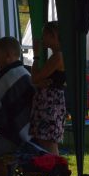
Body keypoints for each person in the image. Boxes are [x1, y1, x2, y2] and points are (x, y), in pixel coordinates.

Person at [0, 37, 35, 176]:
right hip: (32, 136)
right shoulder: (25, 73)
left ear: (8, 56)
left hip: (19, 139)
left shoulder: (3, 78)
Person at [29, 21, 67, 156]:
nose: (41, 39)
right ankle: (53, 167)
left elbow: (35, 78)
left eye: (44, 35)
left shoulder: (58, 56)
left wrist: (36, 55)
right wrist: (39, 83)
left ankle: (56, 167)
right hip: (49, 101)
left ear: (53, 36)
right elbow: (38, 80)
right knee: (45, 141)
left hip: (50, 103)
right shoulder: (58, 55)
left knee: (48, 142)